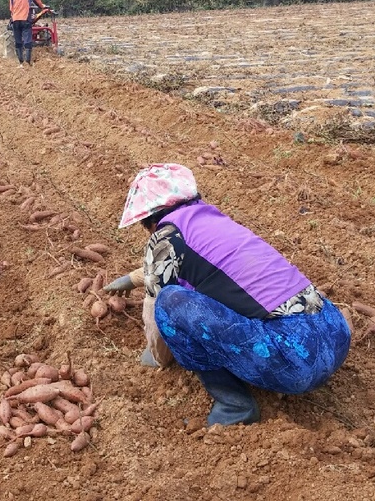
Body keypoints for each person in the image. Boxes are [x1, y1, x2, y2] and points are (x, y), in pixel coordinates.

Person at [105, 163, 351, 427]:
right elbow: (205, 269)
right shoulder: (214, 222)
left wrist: (157, 355)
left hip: (294, 363)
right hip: (336, 336)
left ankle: (234, 405)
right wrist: (133, 278)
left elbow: (157, 307)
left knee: (170, 302)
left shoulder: (164, 236)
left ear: (149, 220)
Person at [8, 0, 46, 68]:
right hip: (25, 19)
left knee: (18, 41)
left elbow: (11, 8)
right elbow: (37, 1)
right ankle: (28, 62)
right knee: (27, 40)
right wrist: (43, 7)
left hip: (15, 19)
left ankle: (21, 63)